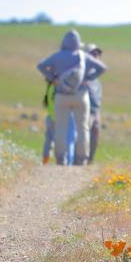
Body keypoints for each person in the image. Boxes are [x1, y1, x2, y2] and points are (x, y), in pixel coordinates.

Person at [37, 30, 106, 165]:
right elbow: (102, 68)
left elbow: (41, 66)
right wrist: (88, 78)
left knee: (61, 128)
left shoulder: (57, 56)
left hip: (61, 96)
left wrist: (53, 78)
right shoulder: (83, 56)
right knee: (83, 128)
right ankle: (82, 159)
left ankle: (61, 158)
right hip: (80, 95)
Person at [85, 43, 103, 164]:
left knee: (95, 133)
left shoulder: (95, 75)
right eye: (93, 53)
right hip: (85, 109)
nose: (96, 55)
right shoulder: (84, 72)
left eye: (97, 53)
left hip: (96, 110)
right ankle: (82, 159)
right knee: (85, 134)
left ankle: (90, 159)